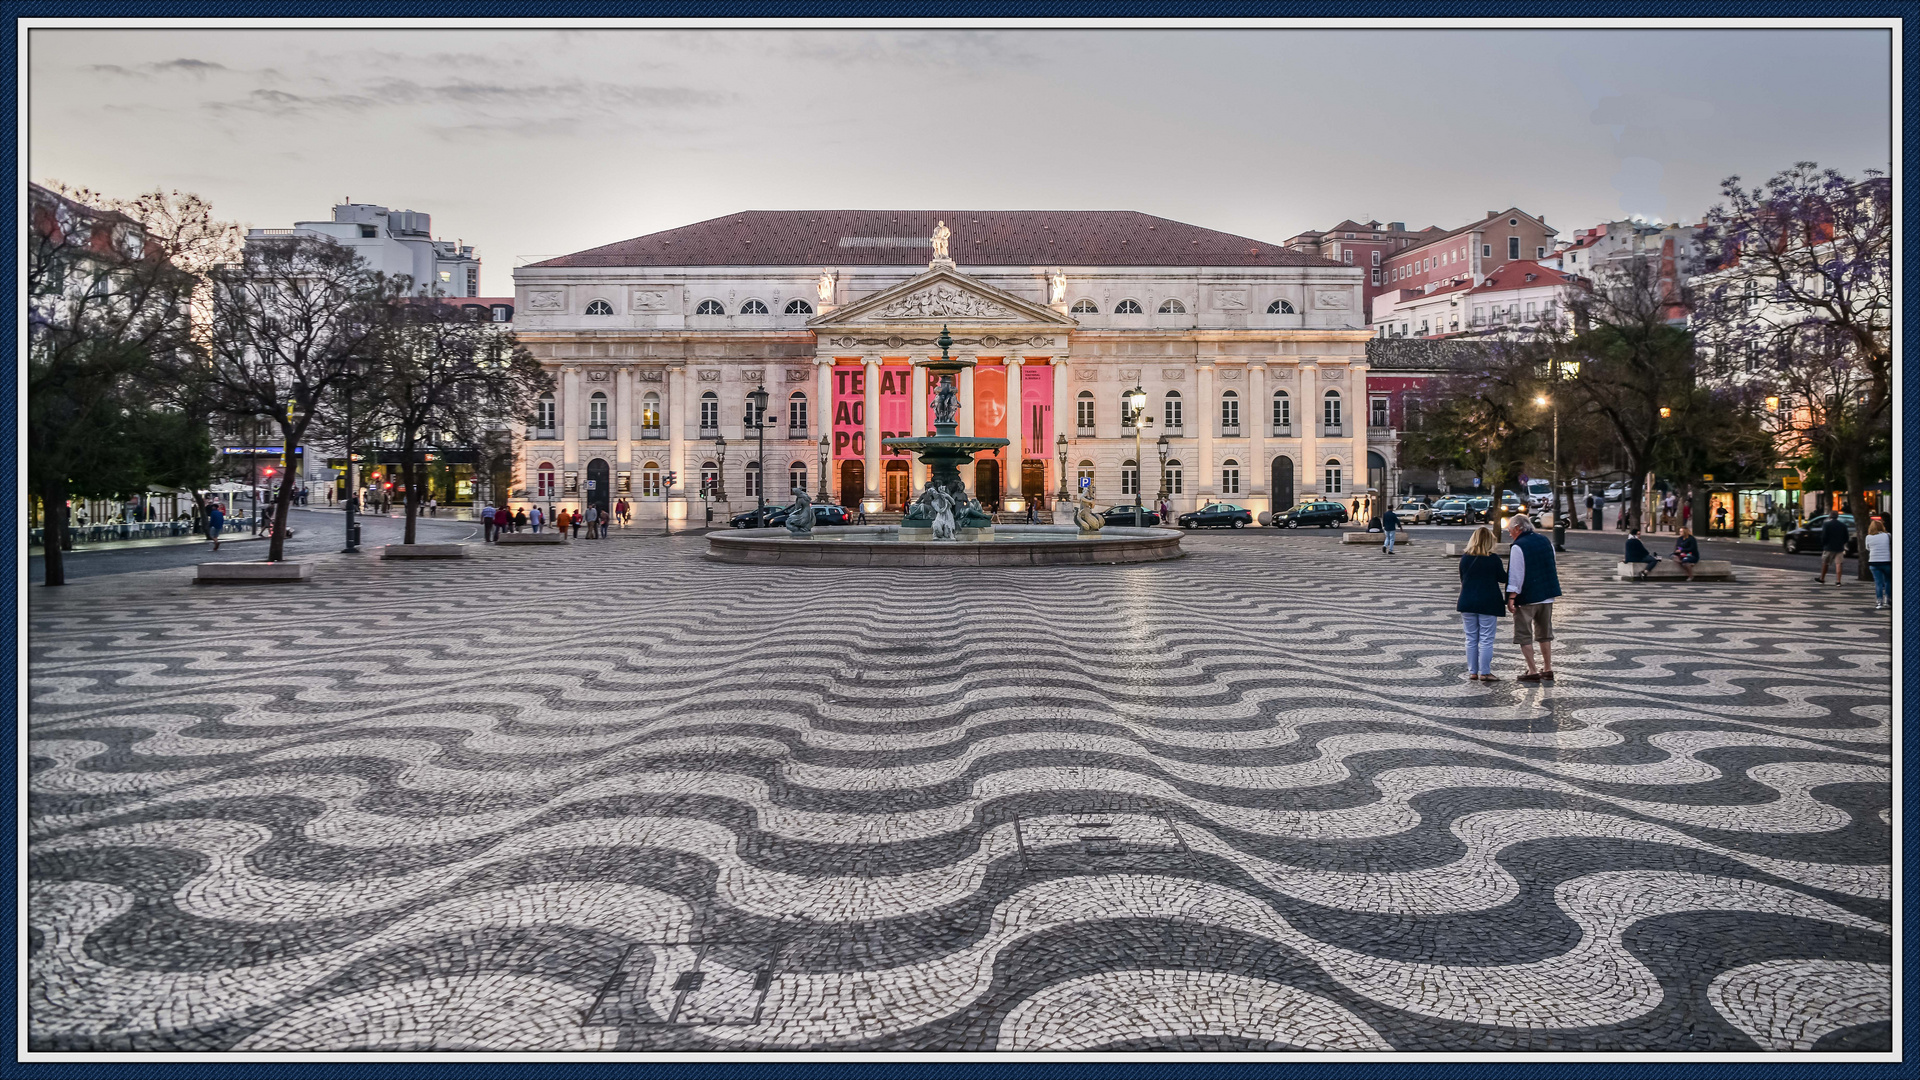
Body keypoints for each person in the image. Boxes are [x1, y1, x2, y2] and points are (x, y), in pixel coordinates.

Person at [1504, 514, 1561, 682]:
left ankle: (1533, 670)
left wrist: (1511, 597)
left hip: (1527, 597)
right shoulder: (1546, 541)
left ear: (1517, 528)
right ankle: (1548, 668)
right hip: (1546, 595)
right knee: (1545, 633)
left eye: (1510, 530)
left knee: (1524, 634)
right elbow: (1552, 564)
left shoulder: (1518, 546)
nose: (1509, 534)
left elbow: (1516, 574)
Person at [1457, 526, 1506, 681]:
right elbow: (1503, 578)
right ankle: (1485, 672)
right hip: (1488, 602)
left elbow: (1462, 578)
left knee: (1471, 638)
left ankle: (1472, 672)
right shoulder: (1493, 559)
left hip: (1467, 601)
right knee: (1486, 639)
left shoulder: (1465, 558)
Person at [1817, 512, 1851, 585]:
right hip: (1839, 547)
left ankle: (1822, 578)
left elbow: (1824, 536)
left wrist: (1824, 544)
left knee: (1825, 563)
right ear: (1837, 517)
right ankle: (1838, 581)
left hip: (1829, 547)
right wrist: (1842, 543)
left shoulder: (1826, 524)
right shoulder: (1843, 525)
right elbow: (1846, 537)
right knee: (1838, 564)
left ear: (1830, 516)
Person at [1865, 519, 1891, 610]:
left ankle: (1879, 602)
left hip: (1874, 561)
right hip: (1887, 561)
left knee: (1878, 583)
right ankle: (1888, 599)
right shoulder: (1888, 535)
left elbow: (1868, 548)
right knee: (1888, 581)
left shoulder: (1868, 537)